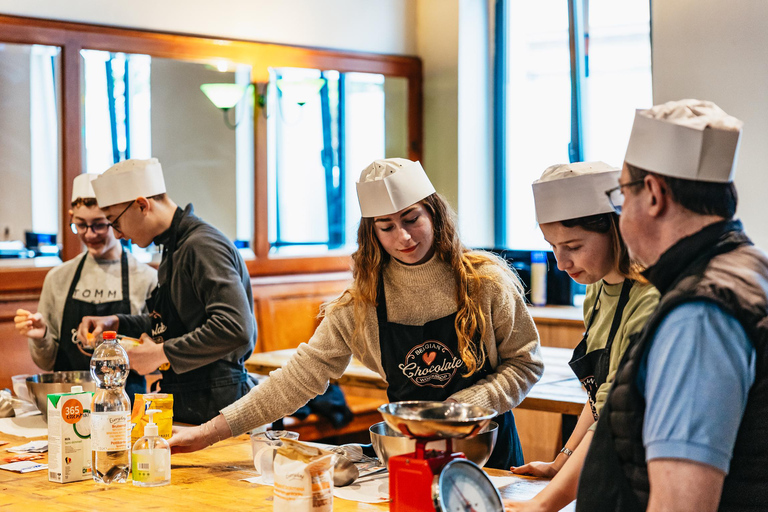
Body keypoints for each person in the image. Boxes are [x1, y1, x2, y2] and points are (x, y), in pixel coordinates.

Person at [168, 157, 544, 469]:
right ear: (372, 233)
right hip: (405, 452)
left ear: (434, 213)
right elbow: (299, 378)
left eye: (412, 219)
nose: (404, 237)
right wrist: (209, 431)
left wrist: (461, 408)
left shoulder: (486, 283)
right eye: (387, 227)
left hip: (486, 451)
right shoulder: (361, 302)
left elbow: (525, 364)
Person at [576, 99, 768, 511]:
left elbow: (681, 502)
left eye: (620, 194)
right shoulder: (751, 269)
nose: (620, 209)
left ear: (654, 195)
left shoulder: (701, 314)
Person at [504, 162, 659, 511]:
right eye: (552, 245)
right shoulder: (597, 290)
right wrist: (561, 462)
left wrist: (545, 504)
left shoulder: (650, 299)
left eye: (573, 245)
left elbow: (613, 415)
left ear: (616, 230)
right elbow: (597, 395)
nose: (561, 262)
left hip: (648, 474)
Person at [77, 158, 258, 425]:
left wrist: (161, 354)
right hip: (190, 401)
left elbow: (235, 327)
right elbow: (173, 324)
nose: (118, 235)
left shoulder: (201, 245)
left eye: (115, 222)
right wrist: (116, 322)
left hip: (219, 405)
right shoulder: (173, 249)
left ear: (142, 205)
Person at [14, 173, 157, 401]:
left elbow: (156, 363)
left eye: (99, 225)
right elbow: (46, 362)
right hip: (68, 406)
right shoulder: (58, 278)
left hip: (124, 408)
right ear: (71, 217)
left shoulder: (146, 278)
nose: (89, 234)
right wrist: (40, 337)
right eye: (80, 225)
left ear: (115, 220)